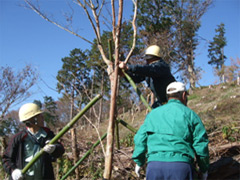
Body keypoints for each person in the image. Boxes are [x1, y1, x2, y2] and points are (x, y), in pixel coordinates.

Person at [132, 82, 209, 180]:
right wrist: (204, 169)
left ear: (168, 96)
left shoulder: (153, 114)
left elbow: (140, 139)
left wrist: (139, 161)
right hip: (181, 167)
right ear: (184, 95)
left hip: (154, 167)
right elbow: (201, 144)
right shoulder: (190, 115)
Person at [2, 103, 65, 180]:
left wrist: (54, 148)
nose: (43, 118)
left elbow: (60, 149)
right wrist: (13, 171)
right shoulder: (18, 138)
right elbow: (6, 158)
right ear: (33, 120)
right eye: (40, 116)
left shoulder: (47, 134)